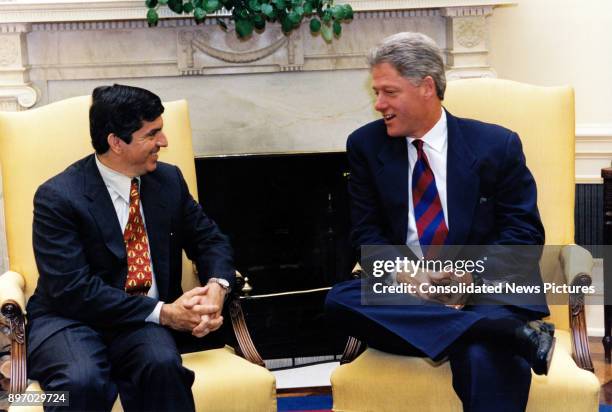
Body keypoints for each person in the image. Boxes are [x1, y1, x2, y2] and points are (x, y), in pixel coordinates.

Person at [325, 32, 555, 412]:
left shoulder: (496, 145)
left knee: (483, 356)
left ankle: (490, 329)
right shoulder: (366, 146)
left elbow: (524, 235)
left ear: (426, 86)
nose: (378, 103)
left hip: (486, 295)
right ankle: (511, 334)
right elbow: (365, 234)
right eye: (376, 92)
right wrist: (406, 276)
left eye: (388, 92)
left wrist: (468, 278)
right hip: (409, 296)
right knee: (340, 300)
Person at [27, 84, 235, 412]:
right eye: (152, 134)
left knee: (163, 367)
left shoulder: (167, 181)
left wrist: (216, 287)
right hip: (70, 319)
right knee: (82, 382)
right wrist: (164, 313)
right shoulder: (58, 196)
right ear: (116, 142)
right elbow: (72, 289)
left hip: (140, 323)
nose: (163, 142)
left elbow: (209, 239)